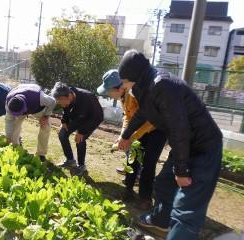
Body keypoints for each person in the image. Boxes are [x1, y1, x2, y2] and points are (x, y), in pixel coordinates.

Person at [117, 50, 223, 240]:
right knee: (164, 183)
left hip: (203, 148)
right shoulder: (144, 87)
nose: (122, 86)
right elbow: (143, 114)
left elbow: (179, 128)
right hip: (185, 145)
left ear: (132, 76)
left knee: (186, 209)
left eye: (123, 81)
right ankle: (160, 222)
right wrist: (125, 135)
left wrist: (181, 171)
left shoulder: (162, 85)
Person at [97, 69, 166, 209]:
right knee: (133, 159)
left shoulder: (134, 94)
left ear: (119, 88)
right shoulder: (123, 97)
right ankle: (128, 190)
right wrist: (123, 136)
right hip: (140, 129)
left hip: (158, 128)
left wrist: (132, 137)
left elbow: (150, 120)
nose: (108, 95)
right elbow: (128, 117)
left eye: (109, 91)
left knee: (148, 163)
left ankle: (145, 198)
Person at [51, 82, 104, 176]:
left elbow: (98, 117)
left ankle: (81, 166)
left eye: (60, 100)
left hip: (91, 120)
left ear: (68, 96)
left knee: (80, 139)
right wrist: (64, 121)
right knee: (62, 134)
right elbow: (66, 109)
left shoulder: (87, 97)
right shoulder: (67, 97)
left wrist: (82, 132)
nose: (59, 103)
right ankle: (70, 160)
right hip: (78, 118)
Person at [5, 84, 56, 162]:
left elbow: (53, 101)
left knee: (46, 126)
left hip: (37, 108)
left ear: (25, 107)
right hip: (22, 103)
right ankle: (16, 148)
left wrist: (46, 116)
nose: (18, 115)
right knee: (14, 126)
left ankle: (41, 154)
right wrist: (8, 136)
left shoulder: (39, 97)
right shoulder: (9, 104)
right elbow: (8, 120)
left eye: (19, 113)